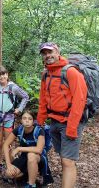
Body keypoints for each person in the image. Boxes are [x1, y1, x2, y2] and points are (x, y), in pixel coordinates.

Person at [37, 42, 87, 188]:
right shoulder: (46, 74)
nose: (47, 56)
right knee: (63, 158)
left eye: (50, 52)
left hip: (71, 122)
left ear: (58, 52)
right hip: (55, 121)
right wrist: (40, 121)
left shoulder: (71, 72)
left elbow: (80, 100)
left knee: (67, 161)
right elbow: (43, 98)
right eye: (44, 53)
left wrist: (71, 127)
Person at [3, 110, 53, 188]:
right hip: (24, 158)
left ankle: (31, 184)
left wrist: (20, 148)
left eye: (30, 119)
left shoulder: (39, 130)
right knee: (9, 174)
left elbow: (39, 150)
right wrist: (8, 165)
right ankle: (28, 175)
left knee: (31, 155)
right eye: (24, 118)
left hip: (38, 158)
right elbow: (6, 145)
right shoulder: (19, 129)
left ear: (33, 121)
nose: (27, 121)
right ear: (21, 120)